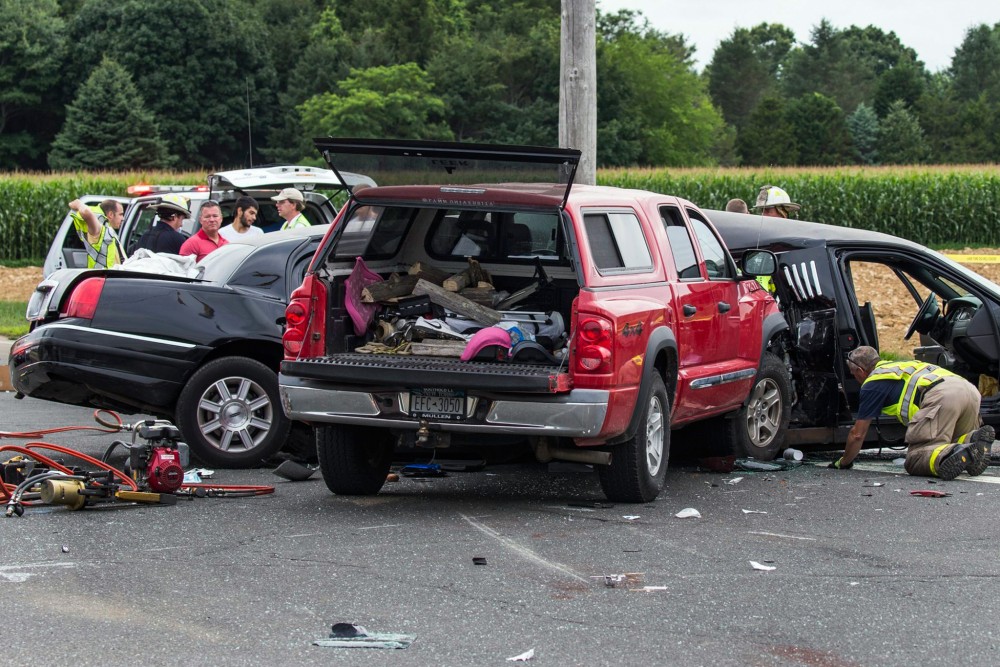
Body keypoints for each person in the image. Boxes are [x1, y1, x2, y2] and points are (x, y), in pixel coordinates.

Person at [831, 345, 994, 480]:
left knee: (916, 458)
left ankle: (950, 453)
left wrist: (844, 461)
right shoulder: (897, 367)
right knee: (951, 438)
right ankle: (972, 439)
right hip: (969, 390)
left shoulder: (872, 383)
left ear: (860, 370)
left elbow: (857, 434)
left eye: (853, 374)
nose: (855, 377)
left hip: (942, 395)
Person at [67, 198, 126, 269]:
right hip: (102, 277)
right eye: (121, 214)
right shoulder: (98, 231)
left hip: (109, 277)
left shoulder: (108, 231)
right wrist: (78, 203)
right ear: (110, 214)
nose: (123, 218)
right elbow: (86, 212)